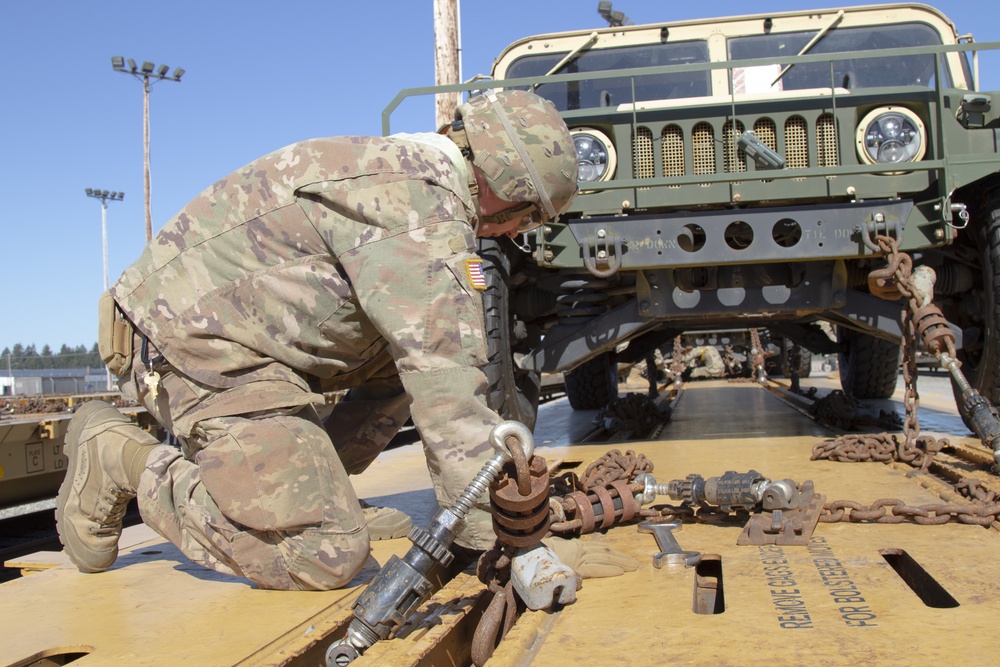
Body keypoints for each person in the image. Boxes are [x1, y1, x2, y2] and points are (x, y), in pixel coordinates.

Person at [55, 90, 580, 591]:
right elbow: (448, 386)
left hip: (247, 345)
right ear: (503, 186)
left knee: (407, 358)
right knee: (325, 553)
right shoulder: (419, 209)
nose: (517, 231)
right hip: (193, 355)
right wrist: (509, 544)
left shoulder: (414, 175)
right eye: (529, 214)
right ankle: (119, 454)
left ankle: (312, 489)